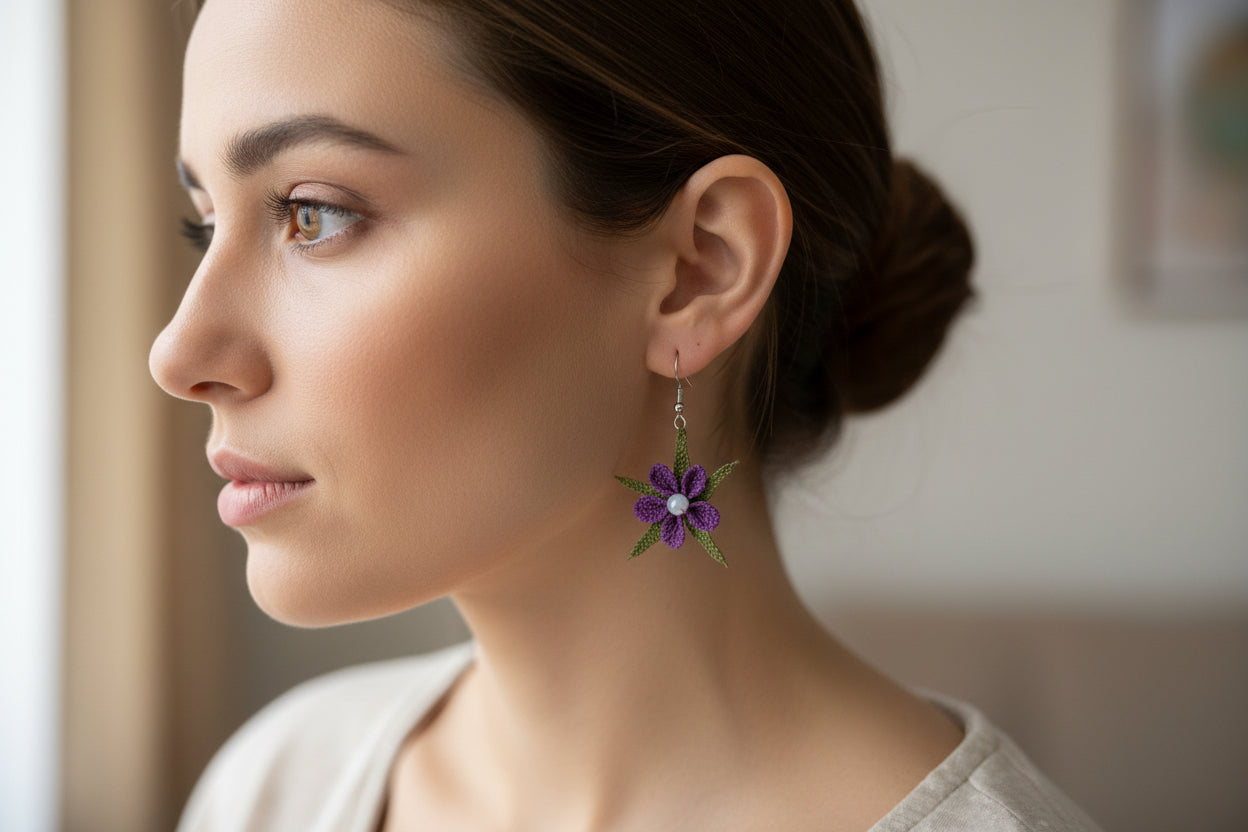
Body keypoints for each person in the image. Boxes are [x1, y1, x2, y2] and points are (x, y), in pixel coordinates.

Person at [149, 0, 1104, 829]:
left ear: (699, 270)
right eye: (205, 224)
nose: (179, 355)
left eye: (313, 212)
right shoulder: (276, 788)